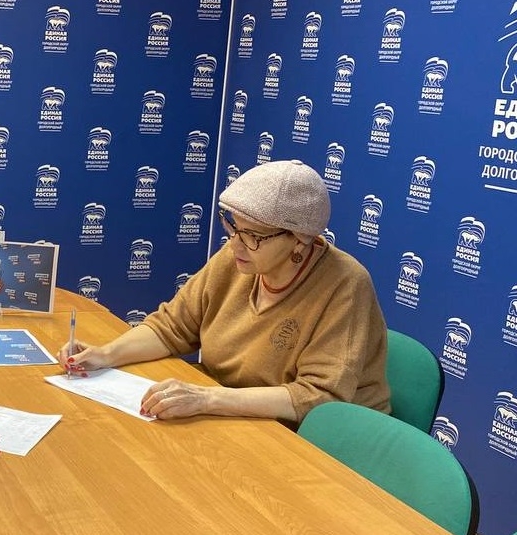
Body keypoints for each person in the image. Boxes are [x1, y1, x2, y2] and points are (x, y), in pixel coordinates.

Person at [59, 159, 390, 425]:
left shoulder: (345, 284)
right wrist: (106, 355)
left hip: (310, 437)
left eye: (253, 236)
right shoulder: (239, 258)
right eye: (233, 227)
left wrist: (206, 399)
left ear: (299, 240)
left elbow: (317, 398)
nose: (235, 244)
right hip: (232, 412)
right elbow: (172, 327)